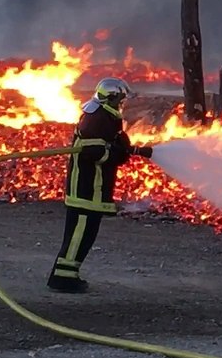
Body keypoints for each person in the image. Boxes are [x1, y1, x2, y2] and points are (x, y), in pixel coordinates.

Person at [47, 77, 152, 293]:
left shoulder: (104, 116)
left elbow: (107, 145)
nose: (122, 104)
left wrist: (123, 148)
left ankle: (68, 273)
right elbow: (93, 152)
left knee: (86, 234)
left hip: (93, 188)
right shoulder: (97, 119)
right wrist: (116, 153)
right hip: (86, 188)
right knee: (80, 234)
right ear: (110, 98)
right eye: (120, 100)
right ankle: (62, 278)